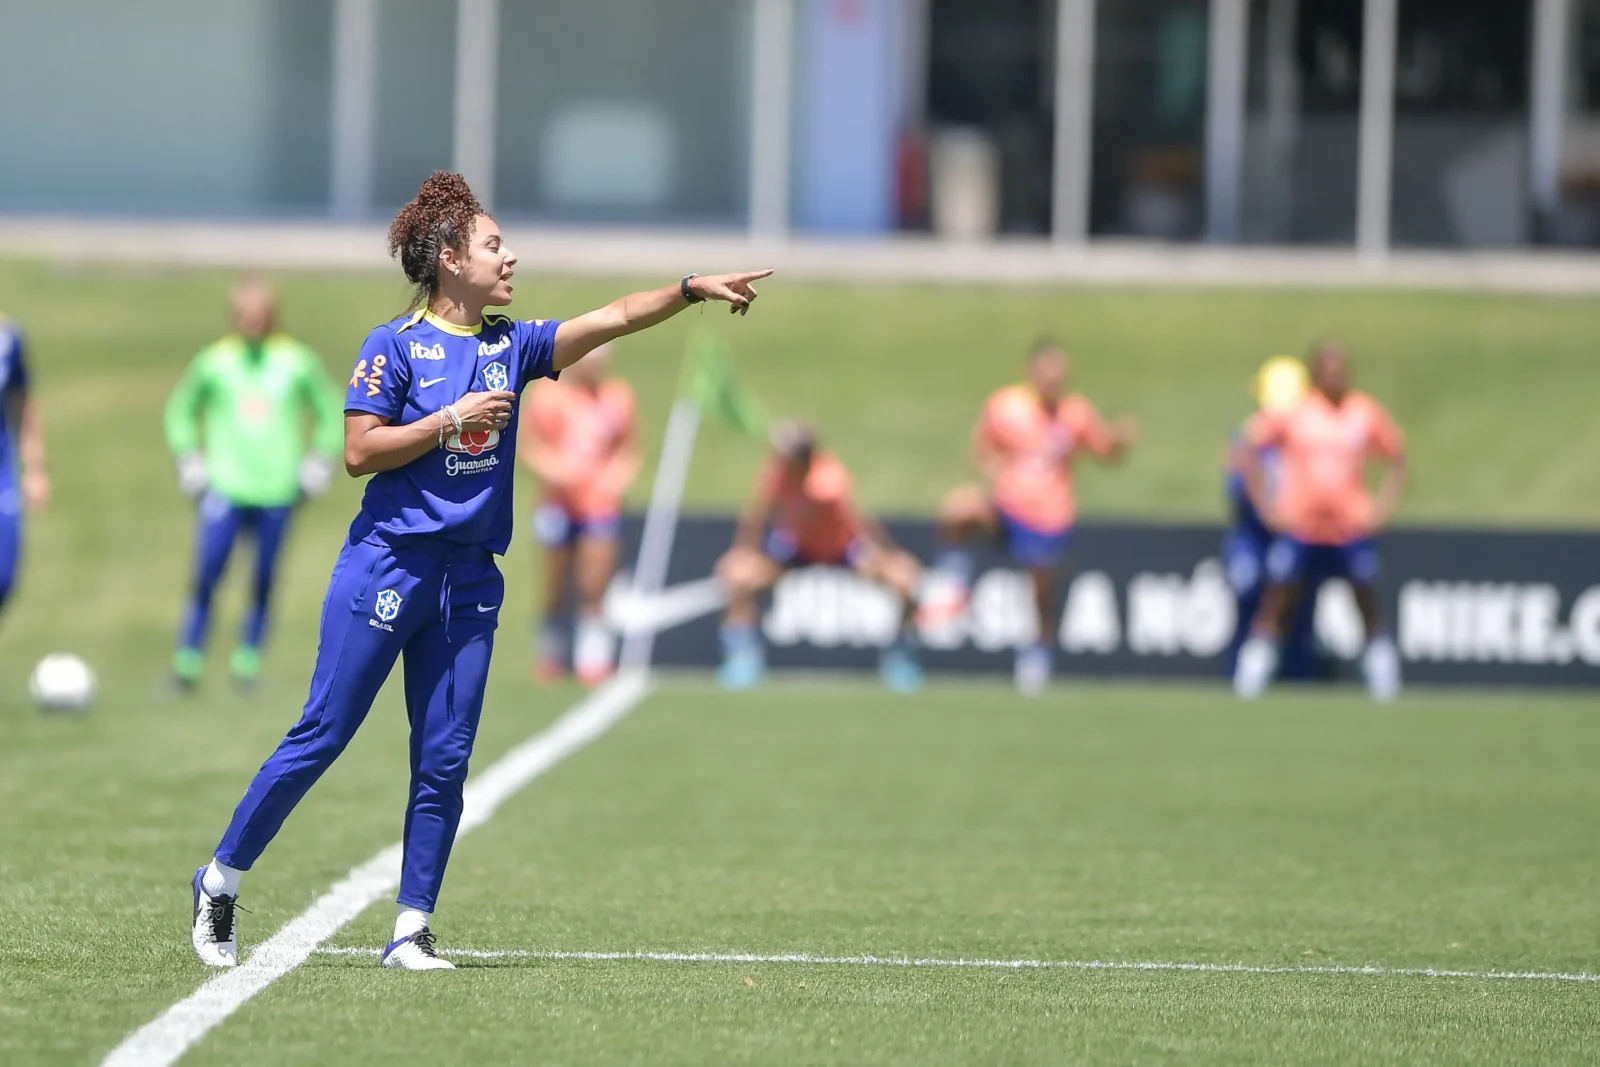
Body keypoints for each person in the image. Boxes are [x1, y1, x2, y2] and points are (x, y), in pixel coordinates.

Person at [189, 170, 772, 971]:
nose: (511, 256)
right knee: (324, 732)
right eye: (495, 244)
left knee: (445, 757)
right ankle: (220, 879)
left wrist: (689, 289)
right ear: (451, 258)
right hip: (389, 564)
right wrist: (448, 420)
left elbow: (613, 317)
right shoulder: (394, 345)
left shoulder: (512, 345)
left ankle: (411, 928)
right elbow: (358, 450)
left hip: (469, 579)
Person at [924, 340, 1136, 695]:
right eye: (1047, 372)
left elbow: (1105, 451)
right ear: (1032, 372)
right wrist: (1000, 476)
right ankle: (953, 582)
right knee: (960, 508)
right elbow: (981, 450)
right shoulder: (1005, 406)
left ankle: (1038, 651)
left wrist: (1119, 439)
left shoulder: (1075, 414)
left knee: (1041, 591)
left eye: (1059, 373)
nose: (1053, 380)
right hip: (1007, 508)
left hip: (1050, 517)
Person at [164, 279, 344, 689]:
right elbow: (181, 409)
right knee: (208, 573)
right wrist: (188, 458)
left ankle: (248, 661)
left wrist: (319, 461)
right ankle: (188, 660)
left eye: (259, 312)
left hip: (277, 489)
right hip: (225, 486)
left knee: (263, 578)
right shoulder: (215, 362)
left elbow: (330, 409)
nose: (252, 320)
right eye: (245, 312)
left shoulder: (296, 362)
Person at [1233, 341, 1407, 702]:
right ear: (1315, 374)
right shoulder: (1296, 412)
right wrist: (1266, 506)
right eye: (1329, 370)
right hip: (1302, 528)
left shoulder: (1362, 412)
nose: (1336, 376)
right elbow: (1246, 446)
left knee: (1367, 602)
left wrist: (1382, 508)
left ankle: (1384, 681)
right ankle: (1250, 680)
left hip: (1348, 529)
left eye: (1341, 369)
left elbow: (1396, 454)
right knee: (1279, 602)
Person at [715, 421, 924, 693]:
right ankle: (742, 658)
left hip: (841, 549)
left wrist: (888, 553)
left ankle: (901, 658)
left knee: (903, 581)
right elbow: (757, 514)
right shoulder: (776, 473)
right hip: (795, 547)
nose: (779, 458)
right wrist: (742, 550)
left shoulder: (829, 482)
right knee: (738, 578)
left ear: (803, 457)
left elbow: (859, 522)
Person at [519, 342, 639, 687]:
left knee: (595, 580)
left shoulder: (617, 396)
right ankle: (551, 652)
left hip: (599, 504)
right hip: (557, 503)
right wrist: (554, 471)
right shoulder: (547, 395)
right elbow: (530, 445)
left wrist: (616, 479)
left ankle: (593, 656)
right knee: (555, 582)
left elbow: (628, 449)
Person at [1223, 356, 1321, 680]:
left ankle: (1296, 671)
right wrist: (1269, 510)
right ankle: (1246, 667)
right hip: (1253, 536)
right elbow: (1236, 489)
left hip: (1296, 536)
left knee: (1295, 597)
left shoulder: (1310, 438)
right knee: (1248, 587)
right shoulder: (1248, 438)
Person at [0, 312, 50, 616]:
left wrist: (35, 469)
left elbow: (23, 404)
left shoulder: (8, 340)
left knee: (4, 578)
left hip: (2, 475)